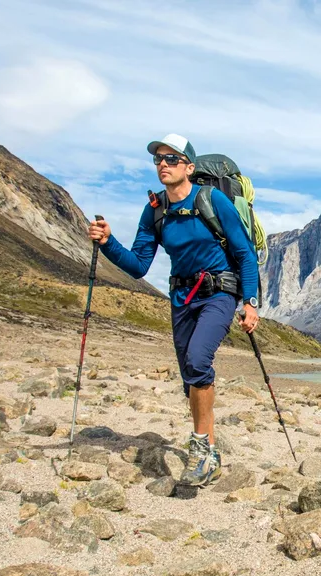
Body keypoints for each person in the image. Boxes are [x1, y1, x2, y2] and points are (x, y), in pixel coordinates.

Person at [87, 133, 260, 487]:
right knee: (190, 379)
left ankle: (199, 449)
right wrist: (108, 243)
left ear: (189, 167)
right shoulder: (155, 211)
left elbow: (244, 253)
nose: (162, 165)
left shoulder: (213, 200)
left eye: (171, 159)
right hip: (182, 297)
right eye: (158, 160)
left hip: (219, 293)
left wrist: (250, 302)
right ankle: (210, 450)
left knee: (198, 361)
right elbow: (137, 265)